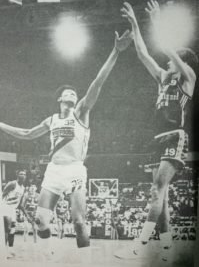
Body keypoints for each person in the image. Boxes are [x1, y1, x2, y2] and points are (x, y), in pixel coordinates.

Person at [0, 29, 132, 249]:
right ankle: (49, 252)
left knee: (79, 221)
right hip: (53, 170)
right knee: (41, 222)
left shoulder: (80, 112)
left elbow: (98, 82)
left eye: (74, 93)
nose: (72, 94)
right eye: (68, 93)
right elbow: (25, 134)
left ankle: (84, 260)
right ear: (60, 99)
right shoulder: (51, 120)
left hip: (74, 170)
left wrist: (115, 52)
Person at [116, 1, 198, 260]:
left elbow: (167, 49)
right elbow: (142, 54)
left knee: (156, 192)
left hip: (176, 135)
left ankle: (138, 245)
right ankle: (166, 247)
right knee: (160, 199)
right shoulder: (164, 77)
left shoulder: (189, 77)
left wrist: (157, 22)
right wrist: (135, 24)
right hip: (157, 138)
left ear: (182, 61)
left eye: (174, 58)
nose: (167, 60)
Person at [2, 170, 26, 257]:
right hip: (5, 207)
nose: (23, 175)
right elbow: (2, 194)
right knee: (7, 229)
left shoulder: (23, 188)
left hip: (13, 210)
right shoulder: (12, 184)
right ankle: (3, 250)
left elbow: (20, 204)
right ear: (17, 175)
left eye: (24, 174)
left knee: (12, 230)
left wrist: (25, 214)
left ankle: (10, 249)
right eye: (21, 174)